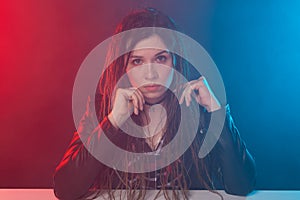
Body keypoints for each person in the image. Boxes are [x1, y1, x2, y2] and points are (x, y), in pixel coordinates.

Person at [53, 8, 256, 200]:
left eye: (160, 58)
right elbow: (65, 188)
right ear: (123, 66)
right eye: (137, 62)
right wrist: (113, 122)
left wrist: (215, 110)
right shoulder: (103, 107)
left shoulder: (196, 108)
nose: (150, 74)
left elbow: (241, 185)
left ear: (174, 61)